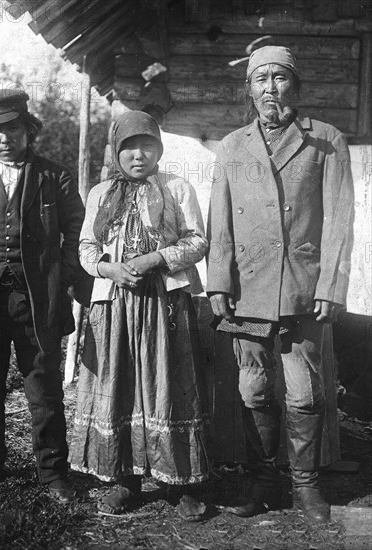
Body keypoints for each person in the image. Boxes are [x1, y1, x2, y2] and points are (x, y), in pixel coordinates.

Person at [206, 46, 354, 523]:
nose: (271, 88)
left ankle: (306, 484)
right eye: (261, 79)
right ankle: (264, 480)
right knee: (254, 391)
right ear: (248, 89)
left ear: (298, 86)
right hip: (248, 287)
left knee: (305, 393)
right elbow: (220, 222)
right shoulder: (231, 146)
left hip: (303, 288)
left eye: (281, 78)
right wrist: (218, 283)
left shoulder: (326, 141)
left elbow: (339, 221)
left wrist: (330, 285)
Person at [69, 110, 209, 520]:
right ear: (117, 151)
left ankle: (177, 483)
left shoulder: (177, 188)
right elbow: (85, 248)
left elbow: (198, 241)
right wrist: (110, 269)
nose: (138, 155)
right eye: (129, 147)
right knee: (120, 384)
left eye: (147, 146)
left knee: (167, 383)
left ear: (159, 150)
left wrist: (154, 259)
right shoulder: (99, 194)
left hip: (164, 304)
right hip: (114, 303)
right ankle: (123, 481)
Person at [0, 89, 84, 502]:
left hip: (37, 300)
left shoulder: (55, 176)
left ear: (28, 130)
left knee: (45, 390)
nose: (4, 138)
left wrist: (63, 274)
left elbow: (76, 232)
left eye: (12, 128)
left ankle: (53, 475)